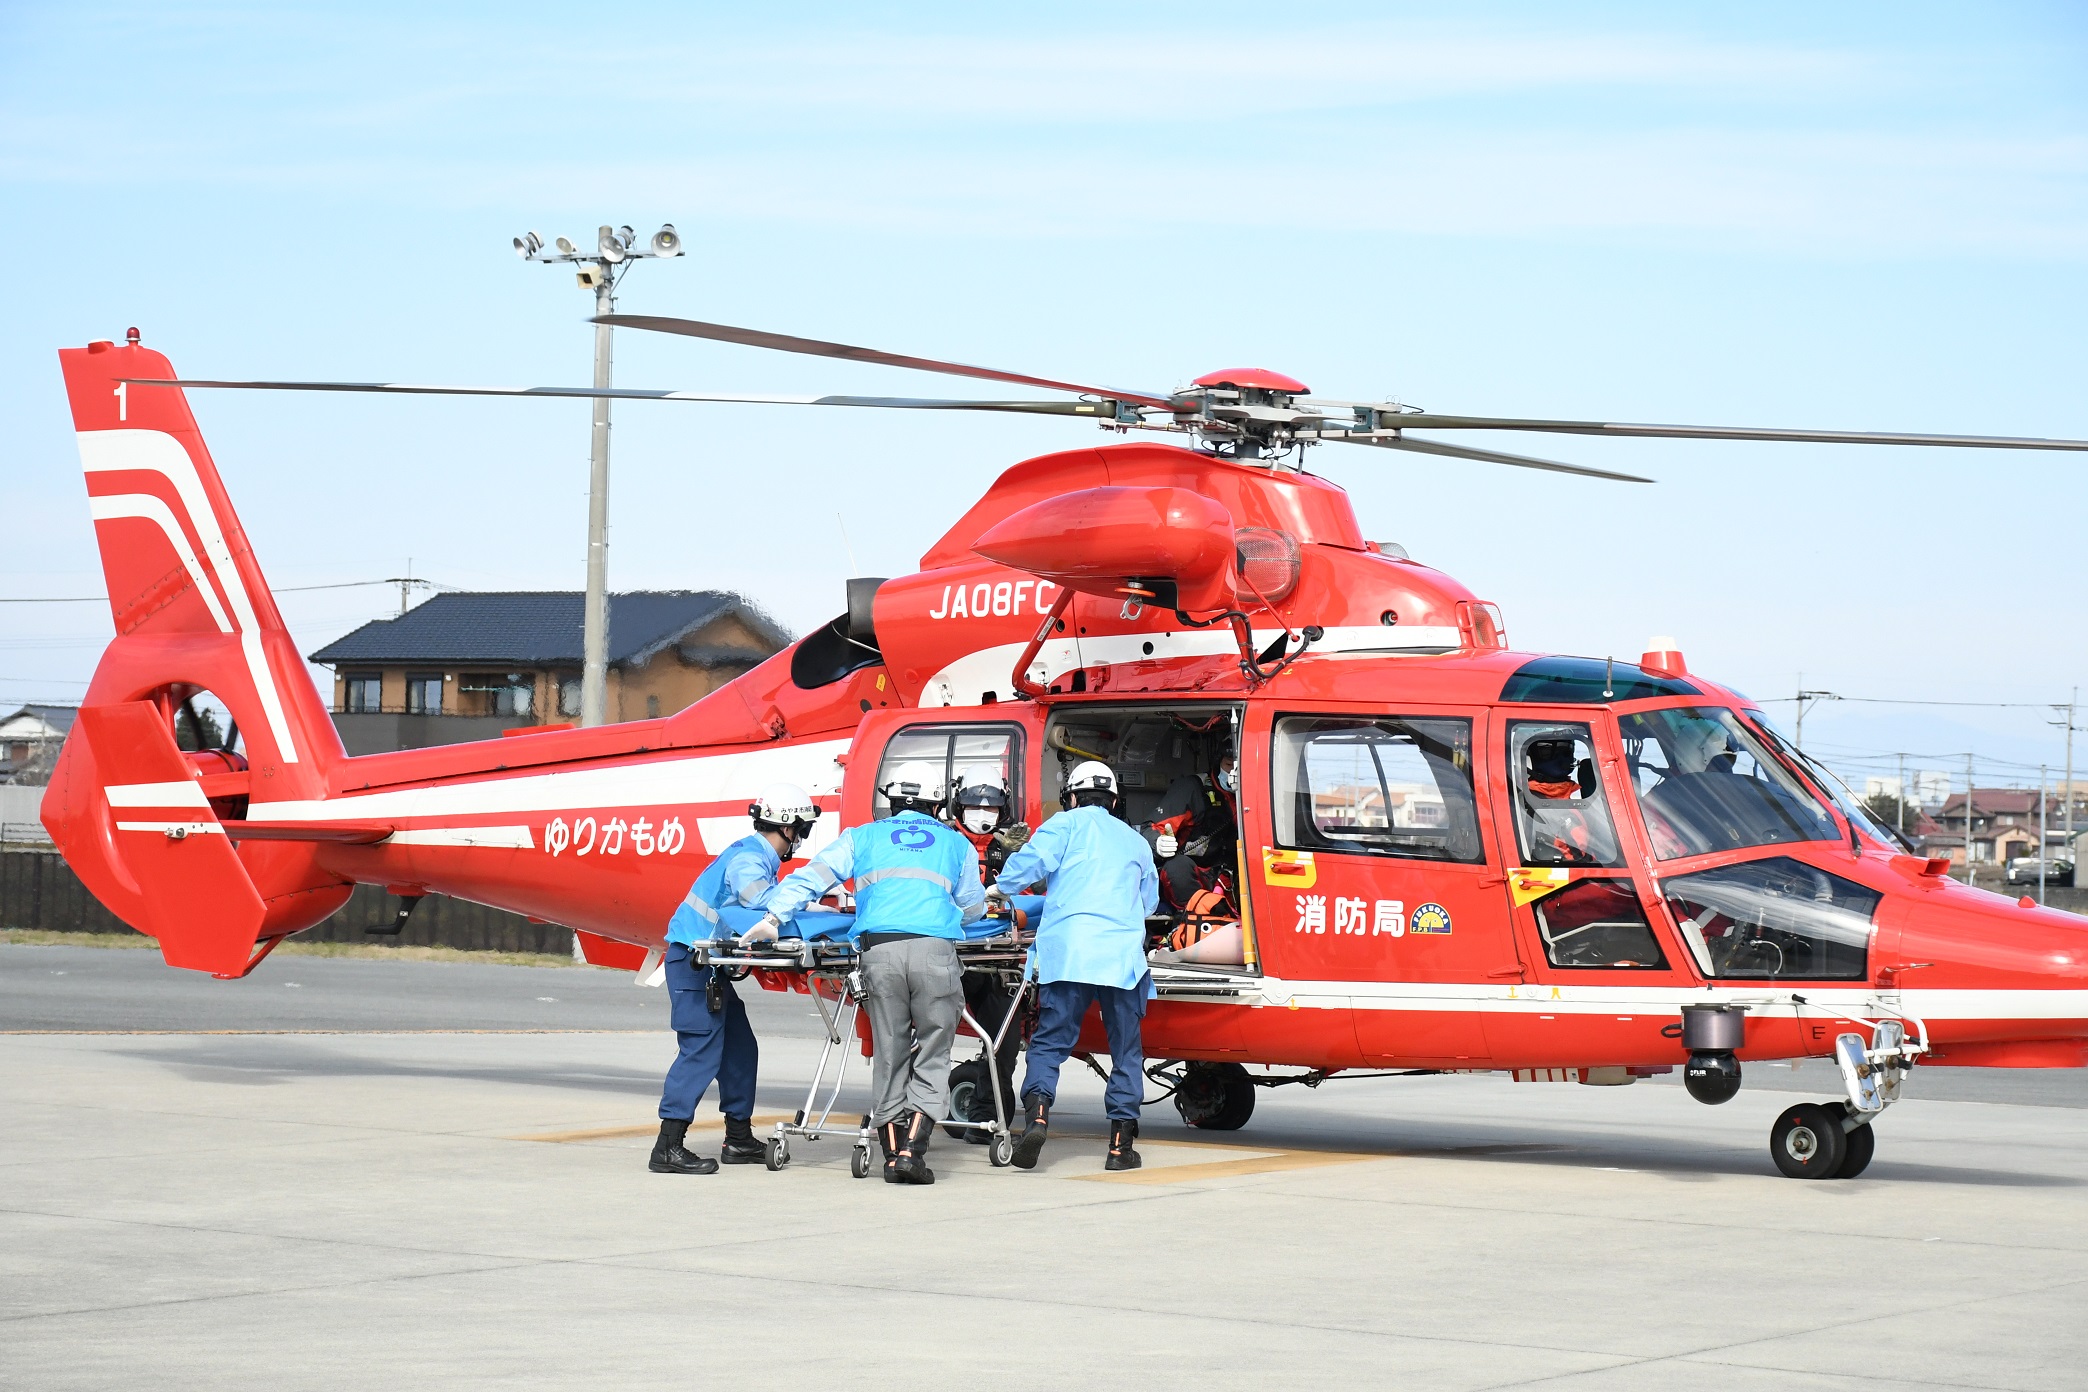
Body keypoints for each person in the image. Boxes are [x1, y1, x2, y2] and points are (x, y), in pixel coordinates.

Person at [751, 761, 985, 1185]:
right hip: (935, 954)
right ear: (938, 804)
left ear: (890, 801)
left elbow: (810, 879)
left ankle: (892, 1155)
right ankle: (913, 1153)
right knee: (933, 1051)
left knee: (890, 1053)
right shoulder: (957, 845)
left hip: (880, 954)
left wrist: (772, 917)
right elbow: (973, 908)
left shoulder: (861, 837)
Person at [992, 759, 1160, 1172]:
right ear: (1115, 800)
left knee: (1050, 1041)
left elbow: (1025, 869)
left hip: (1067, 954)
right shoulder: (1135, 841)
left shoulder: (1062, 826)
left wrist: (998, 886)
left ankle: (1038, 1117)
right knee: (1126, 1050)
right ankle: (1121, 1146)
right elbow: (1150, 903)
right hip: (1120, 960)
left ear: (1070, 797)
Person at [649, 782, 818, 1176]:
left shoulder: (752, 856)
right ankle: (668, 1146)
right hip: (693, 964)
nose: (800, 839)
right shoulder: (749, 860)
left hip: (710, 968)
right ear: (789, 828)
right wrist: (810, 902)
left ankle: (739, 1139)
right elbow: (760, 903)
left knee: (740, 1048)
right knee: (701, 1050)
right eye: (802, 830)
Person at [951, 764, 1030, 1141]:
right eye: (974, 806)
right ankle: (909, 1115)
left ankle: (985, 1119)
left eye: (992, 808)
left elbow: (1031, 897)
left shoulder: (1010, 849)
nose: (984, 815)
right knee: (928, 1039)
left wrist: (1021, 863)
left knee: (1004, 1043)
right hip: (949, 958)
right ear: (957, 805)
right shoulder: (944, 844)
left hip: (995, 962)